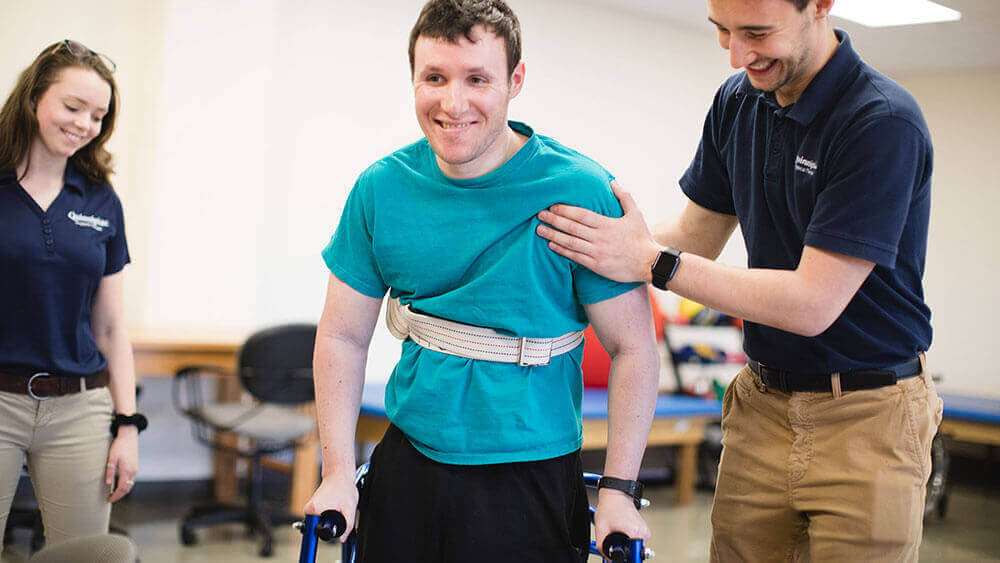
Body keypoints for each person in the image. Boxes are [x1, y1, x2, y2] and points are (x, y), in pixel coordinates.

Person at [536, 0, 942, 560]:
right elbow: (696, 235)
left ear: (820, 6)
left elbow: (811, 303)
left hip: (867, 416)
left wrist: (651, 261)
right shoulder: (739, 100)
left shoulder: (880, 122)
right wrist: (592, 253)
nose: (737, 54)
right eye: (722, 31)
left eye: (756, 32)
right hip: (763, 403)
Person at [304, 1, 660, 561]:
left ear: (515, 81)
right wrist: (337, 473)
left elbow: (632, 346)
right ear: (414, 79)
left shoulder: (581, 191)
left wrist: (618, 490)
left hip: (531, 467)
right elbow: (343, 336)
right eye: (434, 78)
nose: (453, 103)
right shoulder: (381, 189)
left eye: (477, 79)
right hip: (411, 457)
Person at [0, 40, 144, 549]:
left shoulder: (102, 200)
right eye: (73, 106)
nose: (85, 124)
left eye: (99, 115)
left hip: (79, 409)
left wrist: (127, 427)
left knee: (82, 556)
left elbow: (109, 327)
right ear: (35, 98)